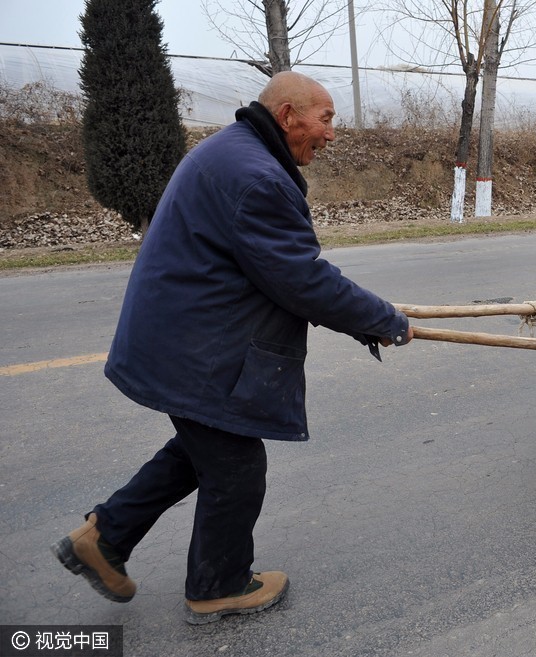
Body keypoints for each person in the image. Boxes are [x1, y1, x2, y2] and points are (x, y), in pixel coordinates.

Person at [51, 71, 413, 625]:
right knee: (236, 467)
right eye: (327, 119)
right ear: (289, 115)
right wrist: (381, 318)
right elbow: (300, 279)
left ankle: (103, 537)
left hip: (185, 334)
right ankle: (217, 585)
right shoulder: (257, 176)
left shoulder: (235, 151)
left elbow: (283, 274)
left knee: (208, 446)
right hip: (197, 345)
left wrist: (370, 318)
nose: (331, 134)